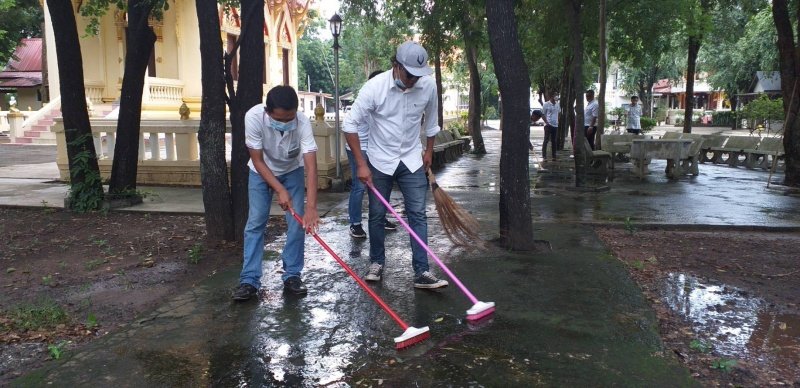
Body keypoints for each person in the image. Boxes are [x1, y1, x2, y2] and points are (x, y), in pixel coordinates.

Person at [343, 41, 449, 289]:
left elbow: (432, 123)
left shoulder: (427, 86)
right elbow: (349, 125)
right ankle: (376, 262)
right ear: (396, 66)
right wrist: (361, 164)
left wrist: (429, 151)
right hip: (380, 159)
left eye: (418, 75)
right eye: (410, 74)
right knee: (378, 214)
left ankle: (422, 271)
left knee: (418, 215)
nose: (414, 80)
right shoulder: (374, 88)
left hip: (411, 159)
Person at [232, 85, 320, 301]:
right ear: (268, 111)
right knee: (256, 222)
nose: (285, 123)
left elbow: (310, 166)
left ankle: (292, 275)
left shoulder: (302, 122)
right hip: (261, 171)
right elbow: (257, 160)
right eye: (280, 119)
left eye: (289, 118)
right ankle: (249, 280)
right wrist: (279, 189)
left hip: (292, 170)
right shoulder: (253, 117)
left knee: (298, 222)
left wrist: (311, 208)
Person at [346, 70, 396, 239]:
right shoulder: (366, 98)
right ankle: (355, 223)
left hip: (377, 147)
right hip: (359, 147)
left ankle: (380, 219)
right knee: (359, 186)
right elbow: (349, 125)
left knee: (381, 184)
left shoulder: (387, 98)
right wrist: (361, 161)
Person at [542, 92, 559, 160]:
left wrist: (558, 121)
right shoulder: (546, 104)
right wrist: (546, 122)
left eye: (557, 95)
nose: (556, 96)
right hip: (548, 125)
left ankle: (554, 156)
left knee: (554, 141)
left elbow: (559, 113)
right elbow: (542, 114)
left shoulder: (557, 104)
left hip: (555, 125)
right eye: (555, 95)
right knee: (546, 140)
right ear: (551, 96)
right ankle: (544, 156)